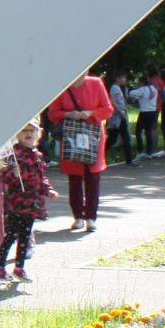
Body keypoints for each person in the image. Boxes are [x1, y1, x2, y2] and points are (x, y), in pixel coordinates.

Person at [47, 70, 114, 233]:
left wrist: (90, 113)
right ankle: (78, 217)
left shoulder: (96, 83)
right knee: (75, 179)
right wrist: (69, 114)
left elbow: (108, 109)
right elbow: (52, 113)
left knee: (93, 177)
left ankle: (91, 217)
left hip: (93, 138)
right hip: (71, 137)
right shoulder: (62, 86)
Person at [0, 121, 53, 282]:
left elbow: (41, 177)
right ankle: (0, 266)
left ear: (38, 134)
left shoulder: (37, 155)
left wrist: (48, 190)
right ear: (18, 135)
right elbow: (4, 177)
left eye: (32, 131)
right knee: (11, 235)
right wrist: (13, 172)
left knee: (25, 236)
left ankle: (19, 268)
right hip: (17, 202)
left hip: (33, 202)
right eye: (25, 131)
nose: (29, 134)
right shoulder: (14, 155)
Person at [103, 70, 133, 166]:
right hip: (119, 117)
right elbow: (113, 101)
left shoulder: (118, 88)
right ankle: (129, 160)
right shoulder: (115, 88)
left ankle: (101, 154)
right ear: (118, 78)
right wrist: (121, 112)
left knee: (114, 138)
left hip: (120, 116)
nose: (125, 80)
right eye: (123, 77)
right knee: (123, 138)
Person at [130, 71, 159, 157]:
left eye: (139, 82)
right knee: (148, 131)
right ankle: (149, 151)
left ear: (142, 82)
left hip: (144, 112)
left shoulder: (142, 89)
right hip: (153, 112)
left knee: (138, 131)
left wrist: (136, 88)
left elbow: (131, 93)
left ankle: (140, 150)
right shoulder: (154, 89)